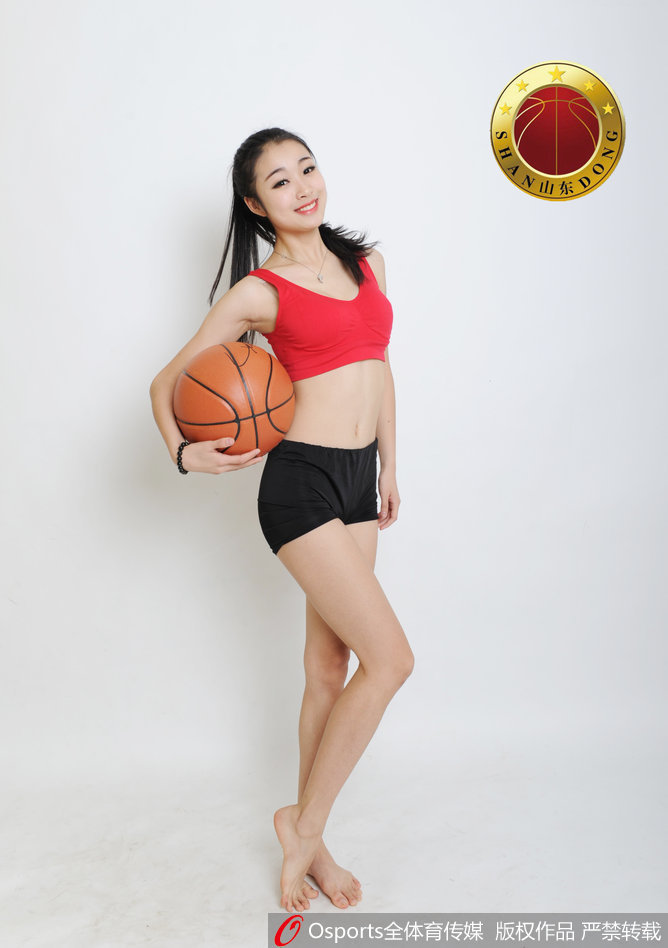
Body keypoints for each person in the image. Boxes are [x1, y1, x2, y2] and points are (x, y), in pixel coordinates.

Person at [149, 128, 414, 914]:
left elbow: (379, 367)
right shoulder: (259, 293)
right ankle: (303, 826)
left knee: (329, 667)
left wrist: (390, 466)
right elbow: (165, 382)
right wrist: (183, 453)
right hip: (299, 485)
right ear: (255, 204)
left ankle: (311, 843)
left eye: (307, 168)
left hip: (358, 480)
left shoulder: (368, 266)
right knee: (391, 661)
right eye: (280, 181)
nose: (303, 188)